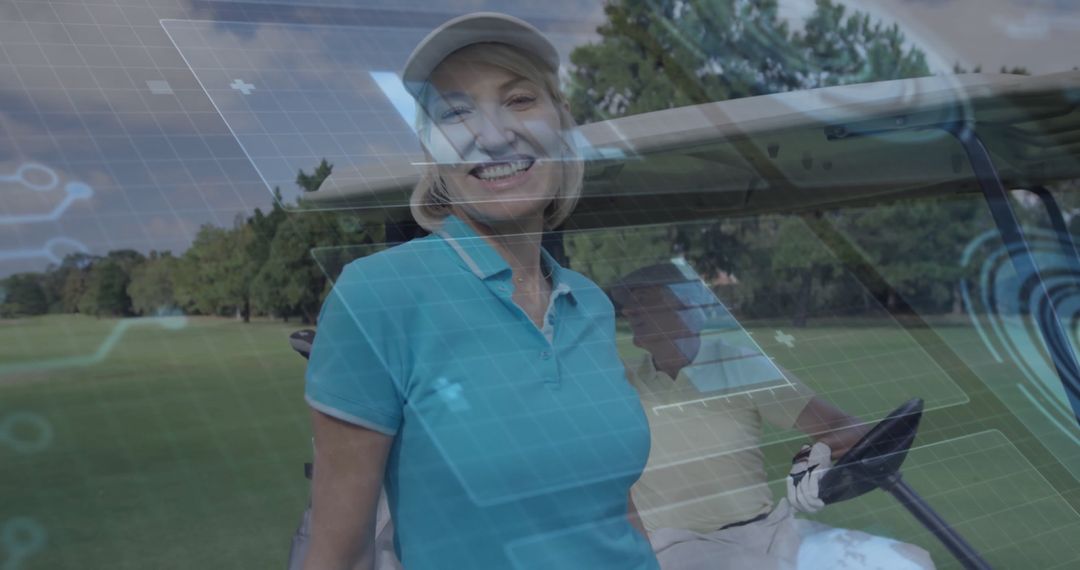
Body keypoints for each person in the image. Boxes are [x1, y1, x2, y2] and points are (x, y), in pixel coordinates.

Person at [302, 13, 660, 570]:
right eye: (456, 112)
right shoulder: (376, 296)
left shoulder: (588, 300)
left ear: (562, 125)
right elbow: (337, 557)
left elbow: (611, 506)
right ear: (432, 152)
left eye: (519, 100)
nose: (493, 136)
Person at [608, 261, 936, 570]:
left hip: (769, 532)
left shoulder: (740, 365)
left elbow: (846, 428)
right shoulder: (622, 384)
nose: (629, 310)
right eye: (627, 302)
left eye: (643, 299)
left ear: (685, 307)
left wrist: (815, 454)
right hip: (676, 545)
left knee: (907, 562)